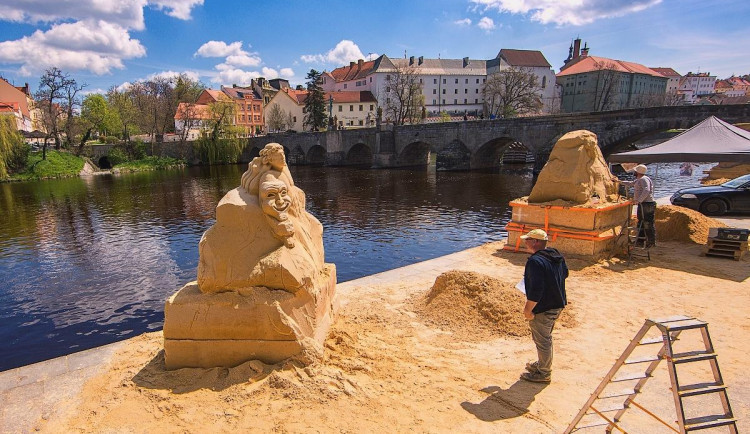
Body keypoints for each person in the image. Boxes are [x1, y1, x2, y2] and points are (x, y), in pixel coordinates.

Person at [519, 229, 568, 383]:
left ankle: (544, 373)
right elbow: (565, 274)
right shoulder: (555, 255)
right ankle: (542, 364)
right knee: (545, 337)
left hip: (544, 307)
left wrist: (528, 310)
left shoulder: (535, 262)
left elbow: (536, 290)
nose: (525, 242)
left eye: (528, 240)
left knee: (543, 340)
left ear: (536, 242)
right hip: (558, 303)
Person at [618, 164, 656, 247]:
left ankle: (650, 242)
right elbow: (631, 183)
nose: (634, 172)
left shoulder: (643, 179)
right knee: (641, 222)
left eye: (635, 171)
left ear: (638, 172)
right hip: (643, 204)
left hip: (647, 204)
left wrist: (638, 200)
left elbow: (647, 190)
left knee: (647, 223)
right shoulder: (639, 179)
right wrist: (619, 181)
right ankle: (640, 241)